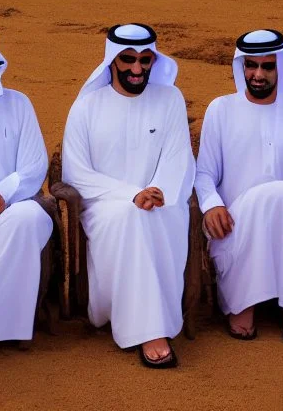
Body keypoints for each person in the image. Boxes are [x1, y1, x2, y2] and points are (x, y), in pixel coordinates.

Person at [62, 23, 194, 368]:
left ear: (153, 60)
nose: (137, 69)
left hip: (165, 202)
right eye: (128, 60)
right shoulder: (87, 107)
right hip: (105, 207)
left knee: (146, 216)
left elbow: (178, 157)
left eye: (145, 60)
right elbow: (77, 174)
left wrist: (157, 193)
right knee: (130, 216)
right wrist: (131, 194)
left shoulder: (170, 99)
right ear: (112, 61)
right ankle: (151, 330)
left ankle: (149, 324)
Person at [195, 29, 283, 348]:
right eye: (251, 65)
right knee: (282, 194)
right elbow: (204, 172)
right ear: (241, 67)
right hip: (233, 225)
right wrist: (211, 205)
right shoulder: (220, 109)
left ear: (281, 67)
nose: (258, 74)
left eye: (268, 66)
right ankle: (244, 301)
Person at [0, 38, 52, 344]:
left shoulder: (17, 104)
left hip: (5, 211)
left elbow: (33, 165)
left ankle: (2, 328)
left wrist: (1, 194)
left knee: (30, 217)